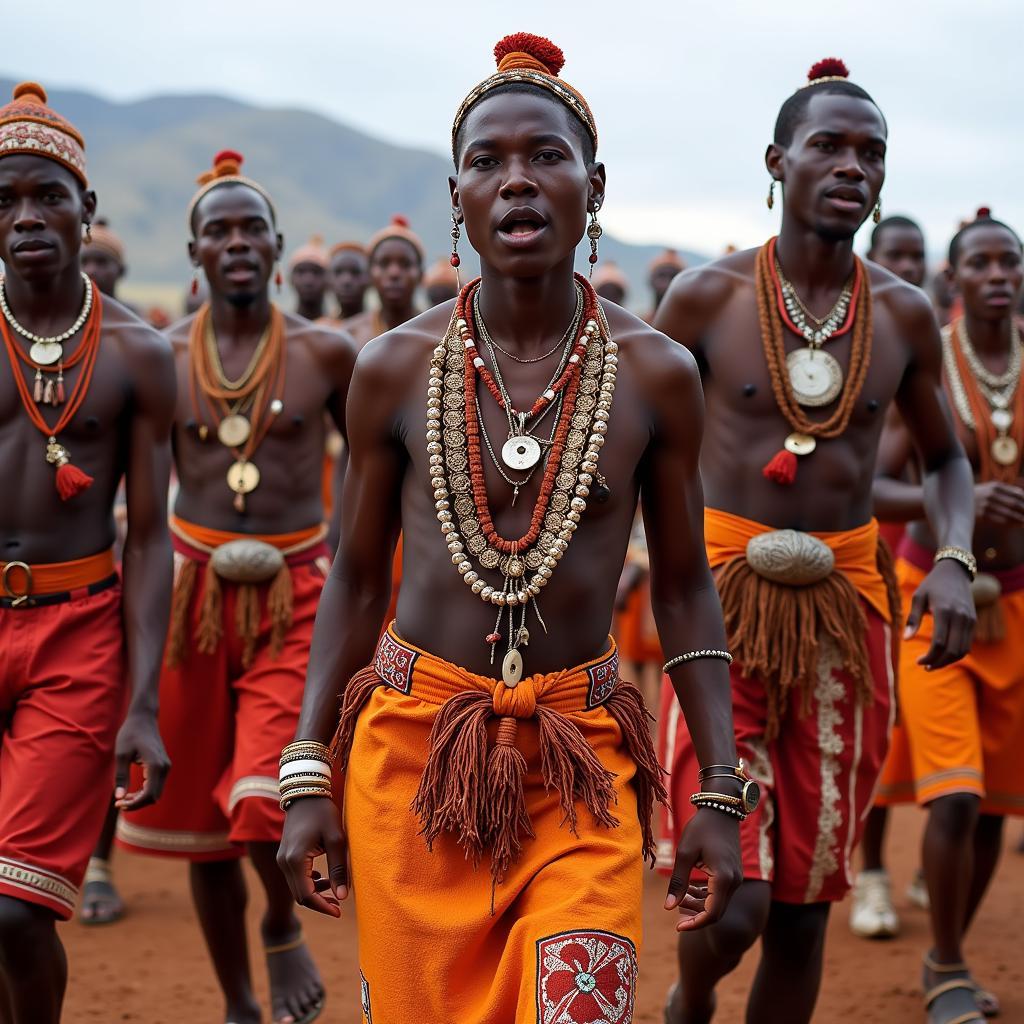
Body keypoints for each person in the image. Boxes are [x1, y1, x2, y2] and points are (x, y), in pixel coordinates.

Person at [277, 33, 743, 1024]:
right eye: (488, 162)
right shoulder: (394, 369)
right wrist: (307, 766)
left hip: (578, 759)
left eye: (546, 157)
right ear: (456, 196)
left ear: (594, 184)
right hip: (413, 754)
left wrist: (718, 787)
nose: (517, 181)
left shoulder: (655, 371)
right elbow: (355, 581)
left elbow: (684, 586)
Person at [654, 59, 976, 1024]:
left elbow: (949, 464)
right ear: (777, 162)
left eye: (871, 153)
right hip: (717, 611)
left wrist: (952, 559)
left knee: (801, 908)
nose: (852, 166)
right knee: (739, 896)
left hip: (847, 617)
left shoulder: (906, 313)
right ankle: (690, 994)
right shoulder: (703, 301)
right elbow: (638, 459)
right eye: (828, 146)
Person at [116, 149, 356, 1024]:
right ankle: (238, 1002)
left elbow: (369, 480)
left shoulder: (329, 354)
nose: (237, 241)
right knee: (201, 834)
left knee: (264, 791)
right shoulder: (160, 357)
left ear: (280, 245)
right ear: (194, 254)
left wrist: (344, 572)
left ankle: (283, 932)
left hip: (296, 589)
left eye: (252, 227)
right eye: (218, 230)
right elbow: (139, 502)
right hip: (190, 596)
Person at [0, 82, 174, 1023]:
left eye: (47, 195)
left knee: (16, 914)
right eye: (4, 201)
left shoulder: (141, 355)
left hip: (78, 637)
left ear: (85, 209)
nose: (27, 217)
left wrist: (141, 704)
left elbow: (150, 538)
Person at [873, 208, 1024, 1024]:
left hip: (1020, 609)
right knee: (956, 797)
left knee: (997, 802)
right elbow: (872, 487)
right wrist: (956, 499)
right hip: (934, 595)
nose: (999, 276)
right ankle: (949, 964)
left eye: (1011, 264)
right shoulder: (927, 373)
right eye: (983, 264)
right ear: (954, 279)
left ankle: (947, 954)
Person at [850, 213, 931, 940]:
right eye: (895, 255)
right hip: (870, 561)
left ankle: (934, 863)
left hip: (942, 570)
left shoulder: (915, 341)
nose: (908, 266)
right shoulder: (855, 339)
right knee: (886, 736)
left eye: (918, 255)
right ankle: (869, 874)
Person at [341, 214, 423, 350]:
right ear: (369, 274)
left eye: (405, 264)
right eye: (384, 264)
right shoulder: (350, 336)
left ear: (421, 274)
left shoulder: (438, 333)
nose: (394, 273)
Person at [324, 241, 369, 323]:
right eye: (338, 272)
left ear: (369, 278)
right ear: (328, 280)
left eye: (355, 272)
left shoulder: (386, 329)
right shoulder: (321, 330)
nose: (346, 280)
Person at [288, 235, 329, 321]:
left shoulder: (339, 330)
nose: (308, 281)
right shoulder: (280, 327)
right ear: (290, 279)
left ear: (329, 280)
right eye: (301, 272)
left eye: (316, 272)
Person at [645, 247, 685, 322]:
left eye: (673, 277)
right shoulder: (640, 322)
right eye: (661, 275)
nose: (667, 282)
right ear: (651, 280)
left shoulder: (688, 324)